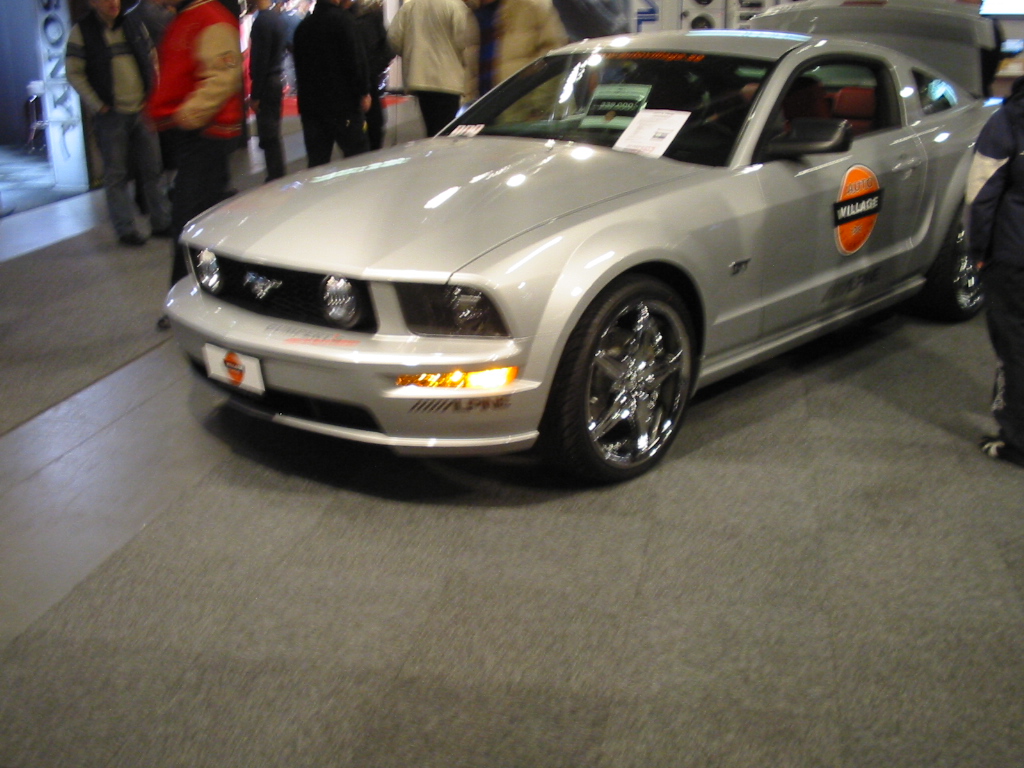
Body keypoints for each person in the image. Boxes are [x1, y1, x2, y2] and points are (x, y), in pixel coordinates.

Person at [149, 0, 243, 324]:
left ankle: (184, 302)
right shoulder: (188, 18)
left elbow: (223, 76)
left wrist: (188, 115)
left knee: (189, 221)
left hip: (205, 135)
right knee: (201, 219)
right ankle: (205, 296)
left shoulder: (208, 17)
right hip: (196, 135)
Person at [66, 0, 171, 246]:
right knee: (116, 175)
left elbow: (152, 57)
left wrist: (153, 94)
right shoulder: (82, 31)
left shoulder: (133, 24)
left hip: (142, 110)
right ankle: (126, 229)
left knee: (153, 169)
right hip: (111, 115)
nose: (113, 2)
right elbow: (73, 72)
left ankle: (161, 221)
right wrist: (97, 104)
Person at [968, 74, 1024, 469]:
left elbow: (981, 193)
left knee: (1015, 346)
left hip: (1015, 254)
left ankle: (1016, 441)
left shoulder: (1010, 120)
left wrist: (978, 250)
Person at [291, 0, 372, 166]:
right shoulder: (345, 21)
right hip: (344, 105)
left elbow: (299, 68)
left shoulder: (303, 27)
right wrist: (364, 91)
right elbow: (356, 61)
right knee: (357, 159)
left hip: (312, 108)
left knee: (317, 161)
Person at [387, 0, 474, 136]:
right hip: (448, 81)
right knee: (446, 130)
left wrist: (410, 55)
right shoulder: (455, 6)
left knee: (431, 127)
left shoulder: (410, 6)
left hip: (420, 79)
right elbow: (465, 42)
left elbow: (394, 38)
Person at [467, 0, 566, 102]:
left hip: (527, 105)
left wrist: (538, 101)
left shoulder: (532, 5)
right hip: (485, 107)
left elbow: (554, 58)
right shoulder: (470, 13)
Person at [248, 0, 288, 179]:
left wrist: (255, 94)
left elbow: (260, 60)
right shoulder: (276, 19)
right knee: (272, 132)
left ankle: (275, 175)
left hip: (267, 83)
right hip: (274, 80)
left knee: (268, 134)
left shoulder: (262, 21)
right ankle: (276, 173)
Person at [353, 0, 394, 150]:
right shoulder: (373, 17)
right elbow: (388, 50)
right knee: (374, 127)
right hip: (369, 81)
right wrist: (373, 70)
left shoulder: (345, 19)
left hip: (354, 83)